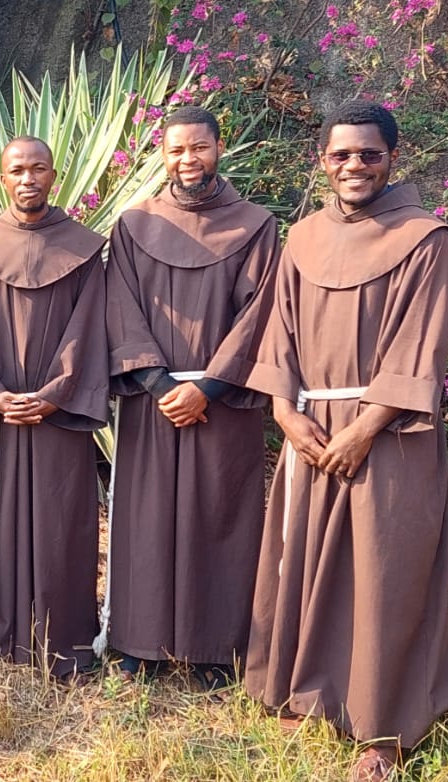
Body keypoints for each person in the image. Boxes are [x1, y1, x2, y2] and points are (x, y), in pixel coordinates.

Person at [208, 100, 448, 781]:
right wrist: (285, 413)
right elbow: (280, 333)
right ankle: (309, 691)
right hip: (312, 427)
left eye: (369, 154)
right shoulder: (304, 237)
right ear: (322, 161)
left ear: (392, 158)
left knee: (383, 571)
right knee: (305, 560)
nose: (355, 166)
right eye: (341, 155)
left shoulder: (426, 239)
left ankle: (384, 729)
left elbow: (420, 349)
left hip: (388, 432)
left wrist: (364, 428)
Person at [99, 106, 279, 686]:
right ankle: (139, 643)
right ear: (162, 154)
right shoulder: (134, 224)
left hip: (222, 399)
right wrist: (159, 383)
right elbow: (120, 304)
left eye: (199, 147)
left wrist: (208, 387)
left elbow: (262, 314)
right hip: (152, 397)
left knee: (220, 516)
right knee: (146, 517)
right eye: (176, 150)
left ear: (218, 148)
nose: (188, 160)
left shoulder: (256, 225)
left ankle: (214, 649)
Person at [0, 136, 109, 680]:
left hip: (57, 413)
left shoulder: (83, 248)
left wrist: (55, 393)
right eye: (17, 170)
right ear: (2, 177)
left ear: (53, 176)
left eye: (38, 168)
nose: (28, 178)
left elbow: (88, 328)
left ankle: (59, 637)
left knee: (58, 523)